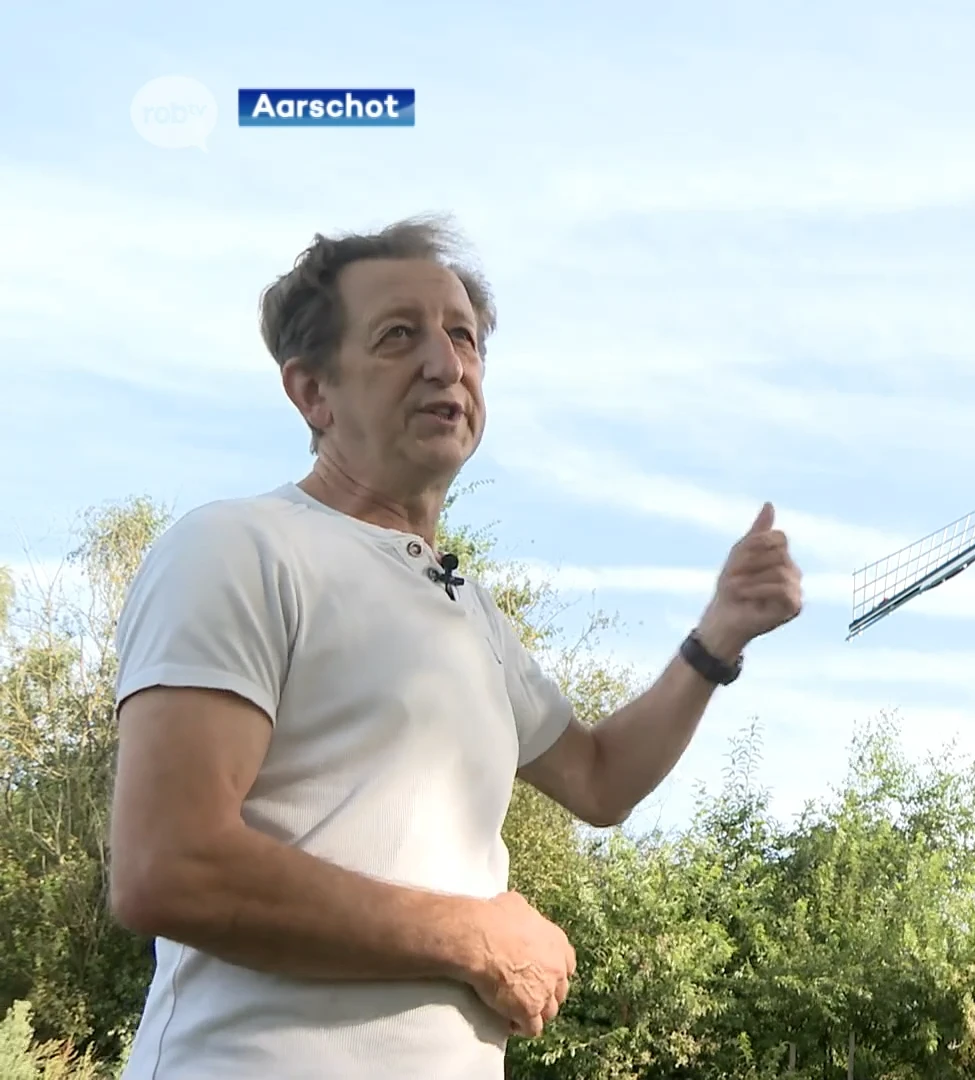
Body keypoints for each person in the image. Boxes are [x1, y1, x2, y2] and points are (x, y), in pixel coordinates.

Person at [105, 215, 803, 1078]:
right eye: (400, 336)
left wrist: (717, 637)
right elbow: (168, 866)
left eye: (463, 335)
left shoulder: (466, 608)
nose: (447, 362)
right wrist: (475, 936)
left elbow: (598, 778)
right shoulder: (238, 546)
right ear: (312, 393)